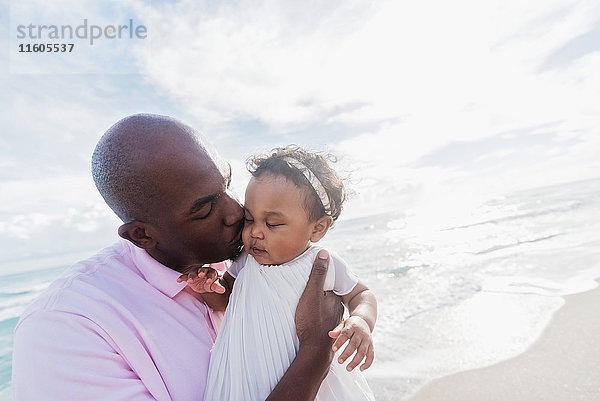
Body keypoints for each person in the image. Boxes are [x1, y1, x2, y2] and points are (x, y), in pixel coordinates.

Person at [11, 114, 343, 401]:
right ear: (142, 235)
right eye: (205, 209)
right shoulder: (65, 329)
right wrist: (315, 350)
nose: (236, 213)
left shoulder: (240, 259)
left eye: (227, 185)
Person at [181, 146, 377, 401]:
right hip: (244, 379)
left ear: (317, 228)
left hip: (313, 384)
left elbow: (362, 294)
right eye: (249, 219)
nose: (255, 232)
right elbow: (224, 299)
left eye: (272, 223)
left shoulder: (321, 262)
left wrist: (361, 321)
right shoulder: (246, 260)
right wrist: (209, 288)